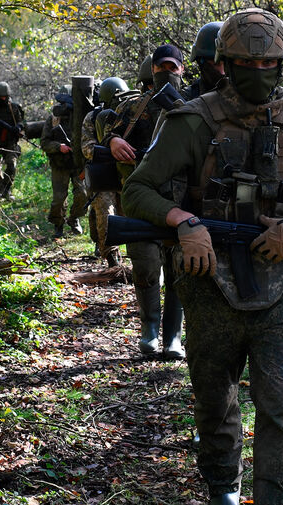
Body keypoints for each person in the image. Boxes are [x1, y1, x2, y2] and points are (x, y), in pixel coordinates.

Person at [122, 8, 283, 504]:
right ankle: (222, 487)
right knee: (215, 399)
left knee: (281, 407)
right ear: (222, 64)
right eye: (245, 66)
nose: (258, 74)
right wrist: (184, 223)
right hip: (206, 281)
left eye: (268, 65)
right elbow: (138, 191)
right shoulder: (191, 122)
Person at [102, 47, 186, 360]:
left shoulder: (192, 103)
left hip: (181, 202)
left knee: (179, 270)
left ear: (181, 68)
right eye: (160, 67)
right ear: (151, 69)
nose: (167, 71)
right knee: (147, 268)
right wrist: (114, 141)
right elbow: (107, 132)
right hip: (139, 201)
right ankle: (150, 329)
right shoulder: (134, 106)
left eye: (172, 66)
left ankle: (173, 337)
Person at [81, 76, 133, 266]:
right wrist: (109, 150)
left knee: (127, 213)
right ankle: (112, 258)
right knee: (106, 214)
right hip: (102, 175)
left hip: (125, 173)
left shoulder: (130, 113)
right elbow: (87, 147)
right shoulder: (93, 117)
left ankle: (135, 253)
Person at [41, 85, 86, 237]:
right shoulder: (53, 120)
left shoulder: (81, 118)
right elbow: (44, 143)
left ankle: (74, 219)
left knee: (83, 194)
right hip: (60, 164)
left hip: (78, 163)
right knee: (59, 199)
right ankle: (58, 224)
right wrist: (58, 147)